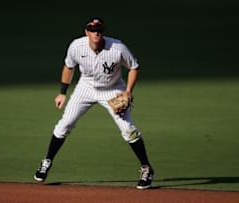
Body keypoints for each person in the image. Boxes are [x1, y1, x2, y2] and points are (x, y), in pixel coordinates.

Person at [34, 17, 154, 189]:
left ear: (103, 32)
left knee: (128, 130)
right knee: (64, 125)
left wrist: (128, 91)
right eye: (92, 29)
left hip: (113, 90)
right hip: (85, 88)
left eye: (98, 30)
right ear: (86, 32)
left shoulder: (117, 48)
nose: (95, 32)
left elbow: (134, 67)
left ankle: (147, 169)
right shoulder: (76, 46)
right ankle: (46, 162)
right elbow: (69, 67)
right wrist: (62, 93)